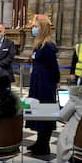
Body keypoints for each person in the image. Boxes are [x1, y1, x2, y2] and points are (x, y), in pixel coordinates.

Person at [25, 19, 60, 155]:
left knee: (45, 112)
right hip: (37, 82)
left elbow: (54, 67)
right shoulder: (39, 45)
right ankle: (39, 142)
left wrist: (54, 82)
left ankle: (44, 145)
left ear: (43, 28)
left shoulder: (48, 45)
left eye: (35, 26)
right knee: (37, 111)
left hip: (45, 84)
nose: (33, 28)